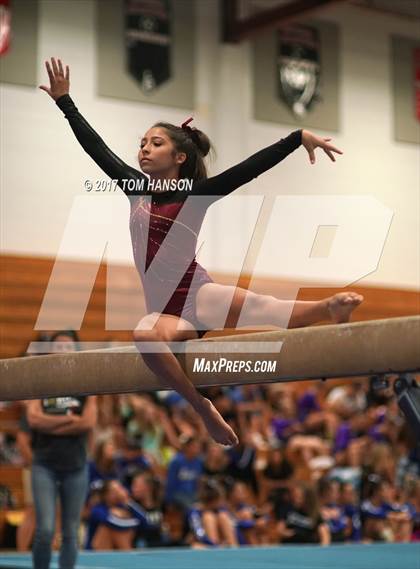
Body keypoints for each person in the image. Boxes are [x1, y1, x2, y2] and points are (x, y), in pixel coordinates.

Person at [40, 57, 363, 446]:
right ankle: (202, 407)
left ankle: (329, 308)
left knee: (265, 308)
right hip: (166, 312)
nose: (144, 149)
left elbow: (247, 169)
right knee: (145, 334)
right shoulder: (134, 188)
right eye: (142, 143)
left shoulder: (195, 196)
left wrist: (295, 139)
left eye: (155, 143)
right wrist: (65, 102)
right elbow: (97, 149)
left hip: (197, 293)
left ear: (179, 157)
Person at [23, 330, 97, 569]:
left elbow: (88, 423)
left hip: (75, 467)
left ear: (77, 351)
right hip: (44, 465)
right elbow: (33, 419)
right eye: (58, 346)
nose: (63, 351)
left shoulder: (86, 383)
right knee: (44, 530)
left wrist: (51, 424)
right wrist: (70, 422)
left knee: (70, 532)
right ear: (50, 351)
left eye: (68, 346)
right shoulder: (41, 380)